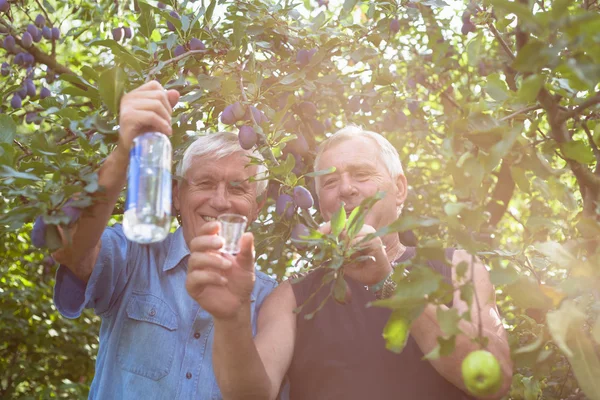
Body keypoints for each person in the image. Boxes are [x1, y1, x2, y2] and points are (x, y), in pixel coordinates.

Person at [187, 125, 513, 399]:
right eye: (329, 182)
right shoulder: (292, 297)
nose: (345, 188)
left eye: (361, 174)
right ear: (321, 205)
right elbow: (252, 394)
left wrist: (388, 281)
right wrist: (231, 318)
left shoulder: (458, 267)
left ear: (399, 189)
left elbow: (495, 379)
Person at [51, 81, 277, 399]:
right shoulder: (134, 257)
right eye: (205, 182)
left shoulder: (272, 301)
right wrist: (123, 151)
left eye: (238, 188)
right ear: (176, 196)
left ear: (258, 207)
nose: (220, 200)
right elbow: (70, 246)